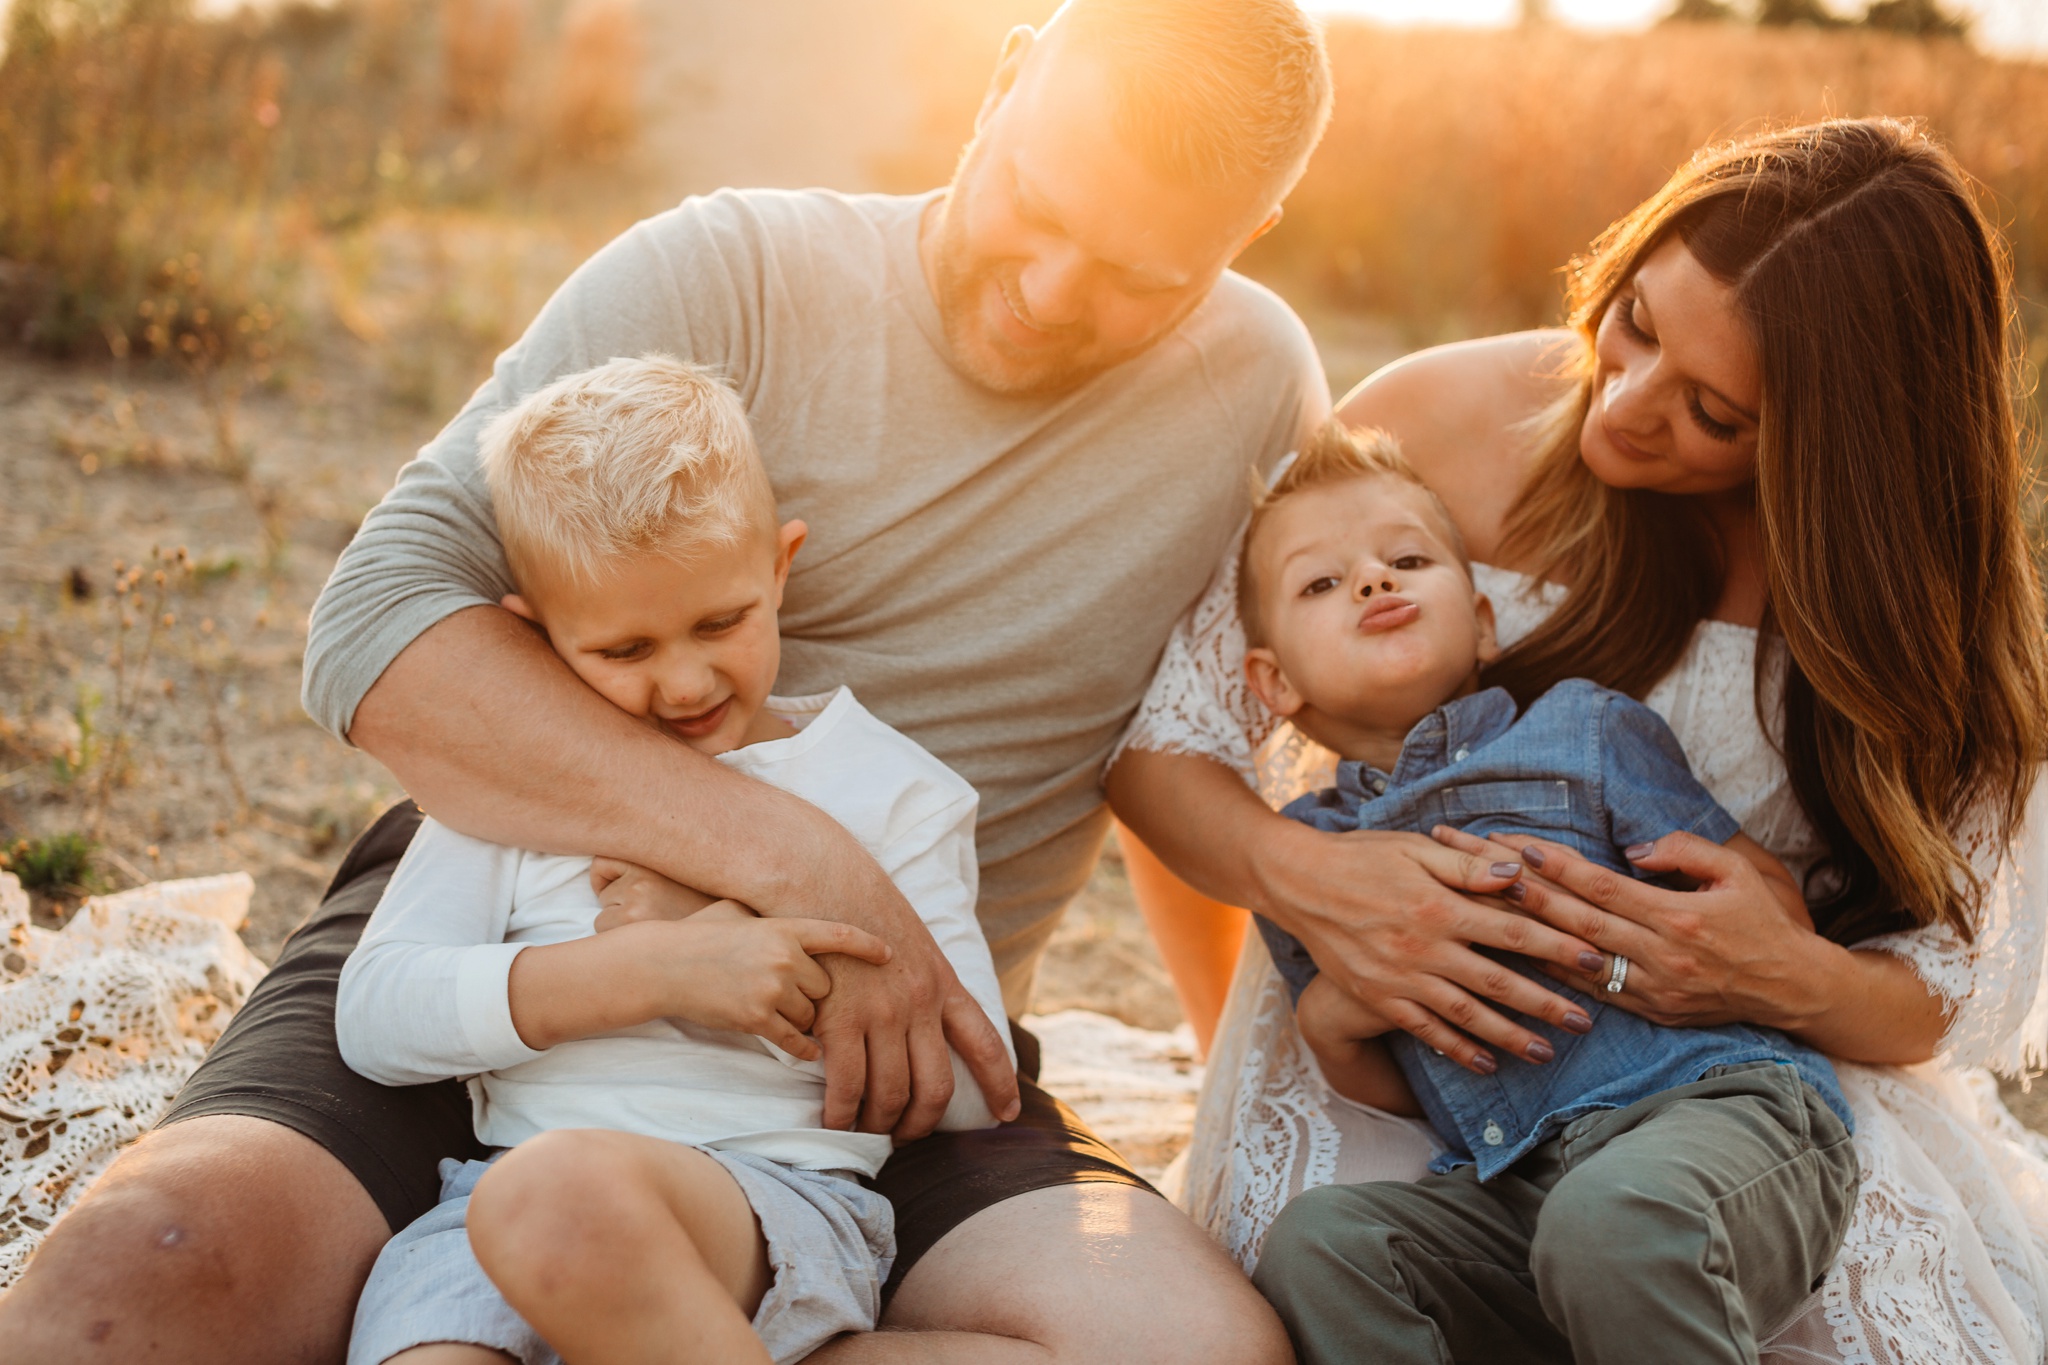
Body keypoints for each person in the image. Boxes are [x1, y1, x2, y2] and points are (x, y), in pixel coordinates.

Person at [0, 3, 1340, 1362]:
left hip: (872, 1066)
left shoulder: (1251, 385)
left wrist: (1218, 1054)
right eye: (1034, 205)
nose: (1051, 289)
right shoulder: (729, 272)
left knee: (1202, 1352)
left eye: (1138, 275)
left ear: (1245, 239)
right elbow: (378, 623)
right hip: (524, 943)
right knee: (124, 1295)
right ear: (1000, 80)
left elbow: (1188, 731)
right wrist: (794, 864)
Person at [1106, 117, 2048, 1363]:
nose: (1629, 399)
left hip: (1728, 1082)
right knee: (1321, 1261)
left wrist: (1784, 974)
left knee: (1641, 1243)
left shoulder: (1912, 607)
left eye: (1712, 410)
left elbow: (1952, 988)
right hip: (1448, 1082)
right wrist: (1315, 893)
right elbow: (1164, 748)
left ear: (1835, 446)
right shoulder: (1435, 425)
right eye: (1639, 323)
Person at [334, 355, 1013, 1365]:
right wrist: (652, 972)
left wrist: (730, 939)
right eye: (624, 650)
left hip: (769, 1204)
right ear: (537, 637)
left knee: (557, 1207)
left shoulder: (890, 792)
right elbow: (377, 1016)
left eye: (721, 622)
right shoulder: (521, 785)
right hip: (492, 1203)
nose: (686, 681)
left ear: (780, 570)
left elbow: (967, 1083)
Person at [1233, 422, 1856, 1363]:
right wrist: (1331, 1018)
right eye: (1323, 582)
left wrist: (1724, 922)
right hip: (1519, 1178)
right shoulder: (1305, 857)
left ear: (1482, 621)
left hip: (1709, 1112)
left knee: (1612, 1223)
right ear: (1274, 680)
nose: (1372, 581)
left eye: (1405, 557)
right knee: (1322, 1248)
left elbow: (1758, 901)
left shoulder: (1582, 731)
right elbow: (1398, 1080)